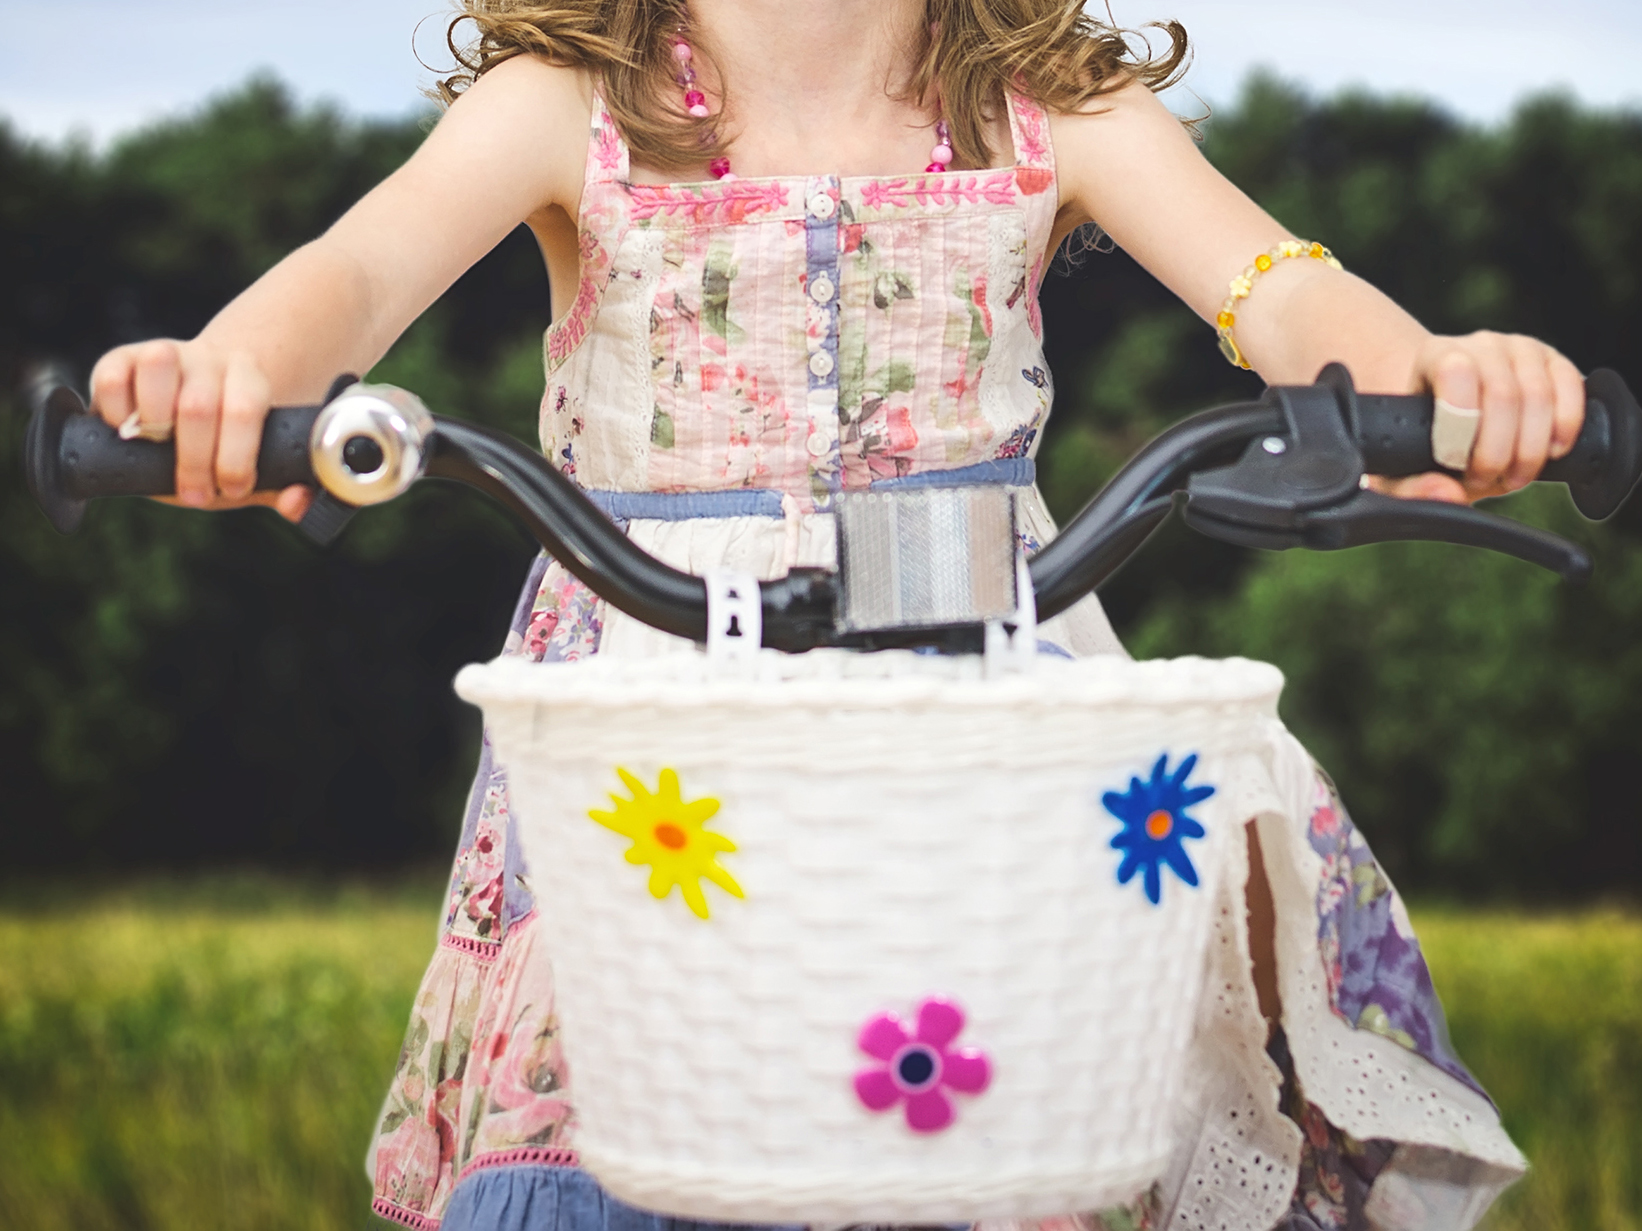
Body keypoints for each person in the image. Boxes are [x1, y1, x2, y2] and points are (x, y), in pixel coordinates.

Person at [86, 1, 1583, 1227]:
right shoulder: (566, 100)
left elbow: (1274, 286)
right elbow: (356, 270)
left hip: (969, 740)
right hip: (651, 763)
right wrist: (236, 376)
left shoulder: (1051, 104)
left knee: (1016, 1135)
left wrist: (1427, 379)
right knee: (599, 1141)